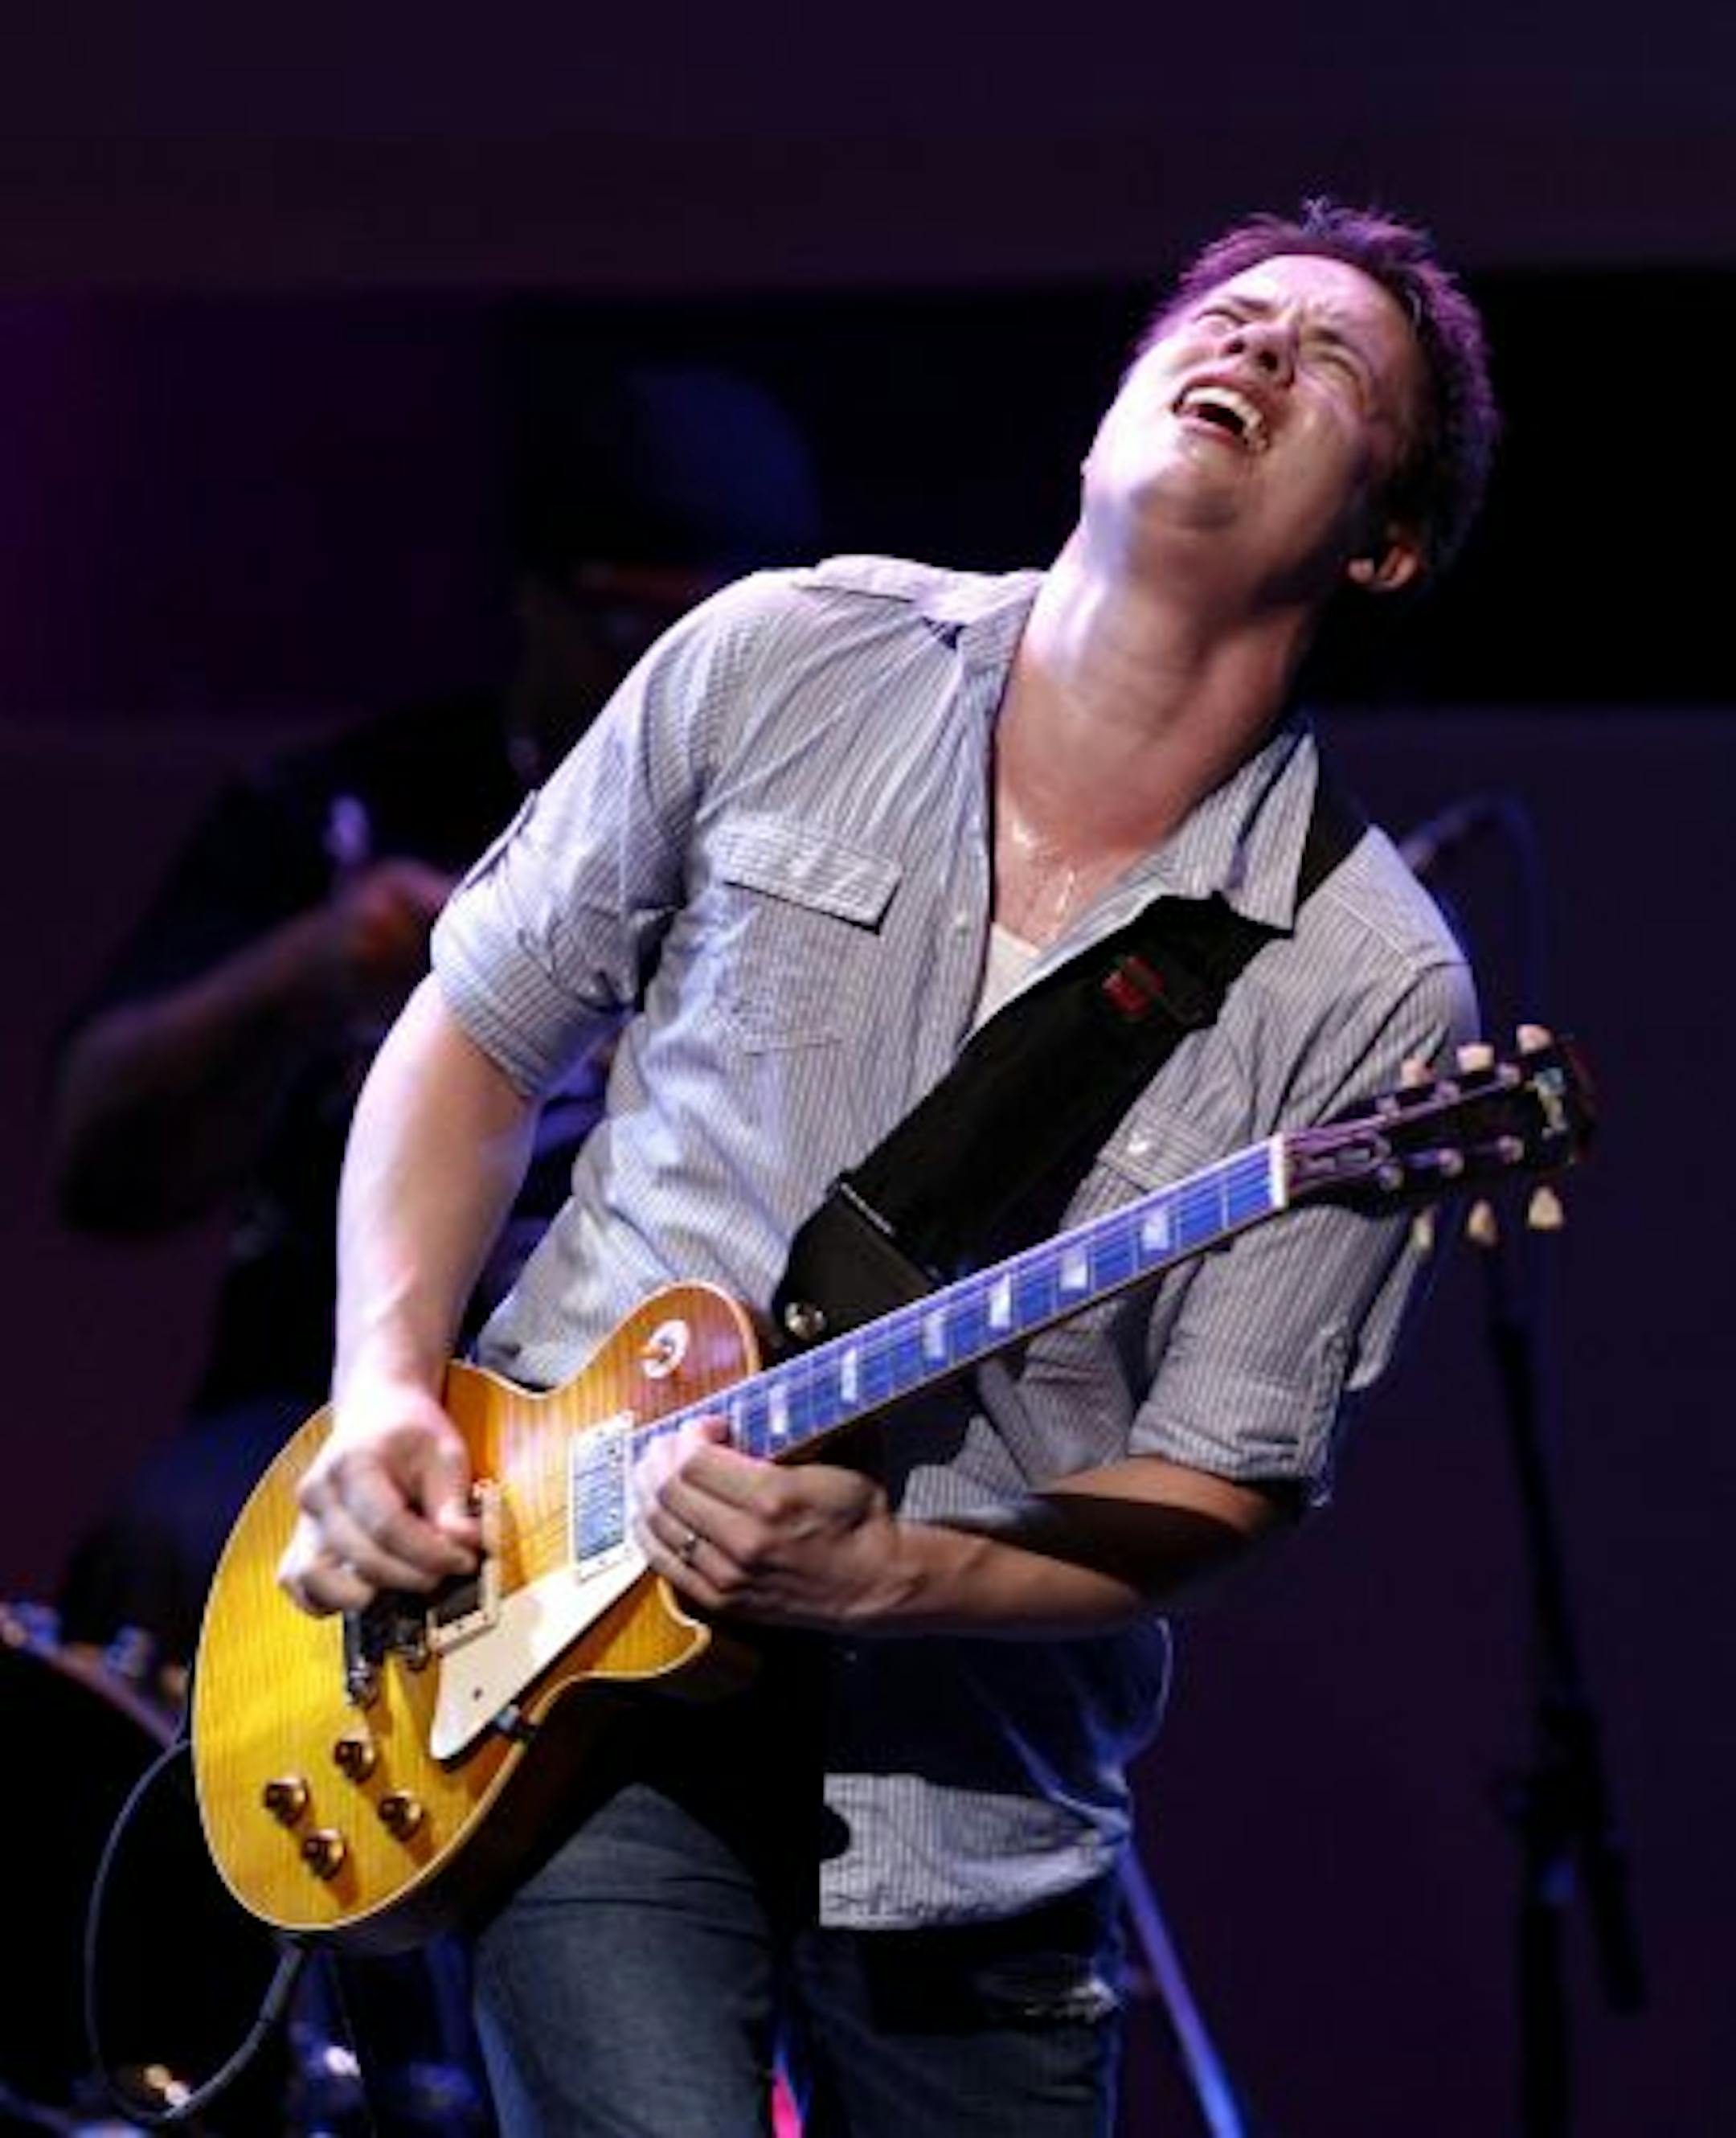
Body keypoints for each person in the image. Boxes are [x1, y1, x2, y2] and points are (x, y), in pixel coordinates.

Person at [276, 201, 1499, 2136]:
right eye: (1230, 317)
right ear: (1103, 422)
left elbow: (1231, 1477)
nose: (1260, 352)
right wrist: (376, 1387)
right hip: (563, 1688)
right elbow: (475, 1030)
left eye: (1333, 363)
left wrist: (899, 1569)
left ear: (1387, 540)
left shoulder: (1371, 981)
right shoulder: (786, 655)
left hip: (970, 1824)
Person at [50, 362, 823, 1683]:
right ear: (529, 603)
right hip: (338, 1399)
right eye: (616, 625)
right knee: (188, 1537)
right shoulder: (356, 805)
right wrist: (307, 969)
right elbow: (101, 1163)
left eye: (701, 635)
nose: (658, 675)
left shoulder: (811, 837)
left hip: (685, 1403)